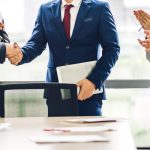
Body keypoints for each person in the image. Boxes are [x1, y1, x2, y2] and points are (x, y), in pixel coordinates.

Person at [7, 0, 120, 116]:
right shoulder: (45, 10)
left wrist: (94, 81)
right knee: (57, 133)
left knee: (89, 133)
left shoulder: (100, 8)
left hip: (88, 90)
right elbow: (36, 44)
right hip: (56, 91)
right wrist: (21, 55)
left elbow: (112, 49)